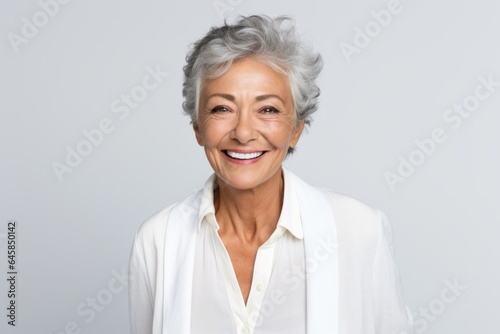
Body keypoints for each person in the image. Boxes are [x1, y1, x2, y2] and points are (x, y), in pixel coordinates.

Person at [128, 14, 414, 334]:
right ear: (198, 127)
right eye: (222, 108)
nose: (244, 132)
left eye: (268, 109)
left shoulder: (361, 230)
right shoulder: (157, 240)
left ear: (295, 130)